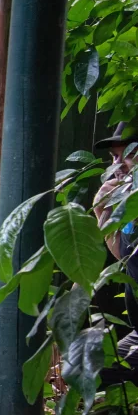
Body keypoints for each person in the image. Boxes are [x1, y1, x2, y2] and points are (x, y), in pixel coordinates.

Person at [92, 121, 138, 379]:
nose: (118, 166)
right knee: (96, 375)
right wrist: (105, 213)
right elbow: (126, 258)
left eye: (129, 155)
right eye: (115, 157)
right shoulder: (129, 209)